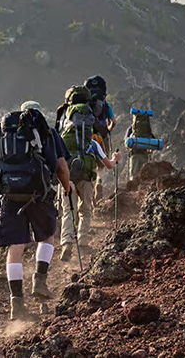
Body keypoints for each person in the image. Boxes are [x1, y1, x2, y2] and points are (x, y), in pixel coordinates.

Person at [0, 101, 71, 320]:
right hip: (38, 194)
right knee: (47, 237)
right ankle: (39, 281)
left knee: (15, 246)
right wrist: (67, 188)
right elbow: (61, 166)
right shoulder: (47, 132)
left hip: (10, 196)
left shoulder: (2, 132)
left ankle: (17, 304)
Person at [58, 87, 121, 262]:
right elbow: (108, 165)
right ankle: (83, 242)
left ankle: (66, 243)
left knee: (67, 211)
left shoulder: (63, 139)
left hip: (67, 177)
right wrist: (115, 158)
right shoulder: (92, 143)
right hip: (86, 176)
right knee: (85, 210)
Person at [125, 110, 158, 180]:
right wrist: (150, 151)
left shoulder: (131, 130)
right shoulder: (147, 131)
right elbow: (154, 143)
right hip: (144, 155)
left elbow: (126, 143)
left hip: (134, 155)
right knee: (144, 176)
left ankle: (133, 189)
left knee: (134, 177)